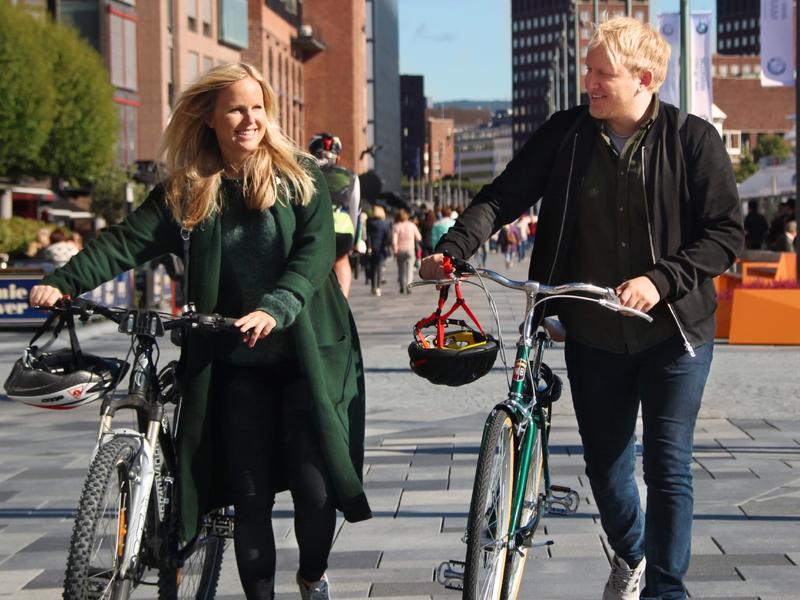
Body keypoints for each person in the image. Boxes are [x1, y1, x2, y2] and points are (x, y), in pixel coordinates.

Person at [420, 17, 743, 600]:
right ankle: (634, 553)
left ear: (645, 79)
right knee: (606, 468)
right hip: (593, 331)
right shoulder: (567, 134)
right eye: (588, 71)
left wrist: (660, 279)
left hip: (672, 333)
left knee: (667, 468)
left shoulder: (693, 140)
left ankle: (666, 590)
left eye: (602, 74)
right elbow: (503, 196)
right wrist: (452, 249)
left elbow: (725, 235)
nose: (588, 83)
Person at [29, 62, 371, 600]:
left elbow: (314, 254)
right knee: (249, 495)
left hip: (309, 360)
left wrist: (275, 307)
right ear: (208, 116)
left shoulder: (300, 176)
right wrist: (65, 282)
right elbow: (125, 242)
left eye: (257, 107)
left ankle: (311, 577)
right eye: (235, 108)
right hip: (236, 364)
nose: (249, 119)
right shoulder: (191, 189)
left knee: (315, 491)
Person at [308, 133, 361, 298]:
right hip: (343, 227)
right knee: (341, 260)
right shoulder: (350, 176)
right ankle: (342, 300)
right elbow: (355, 210)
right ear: (338, 156)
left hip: (315, 227)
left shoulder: (304, 173)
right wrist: (356, 241)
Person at [392, 208, 421, 294]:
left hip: (400, 250)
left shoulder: (396, 226)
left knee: (401, 269)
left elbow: (394, 241)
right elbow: (419, 237)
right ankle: (409, 286)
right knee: (409, 269)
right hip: (410, 250)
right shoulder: (412, 225)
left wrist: (395, 250)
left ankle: (402, 286)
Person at [365, 205, 391, 296]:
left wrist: (368, 246)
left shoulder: (369, 223)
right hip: (381, 248)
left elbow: (367, 236)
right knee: (379, 268)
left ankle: (373, 286)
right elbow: (387, 237)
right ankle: (378, 288)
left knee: (372, 268)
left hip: (372, 248)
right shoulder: (385, 224)